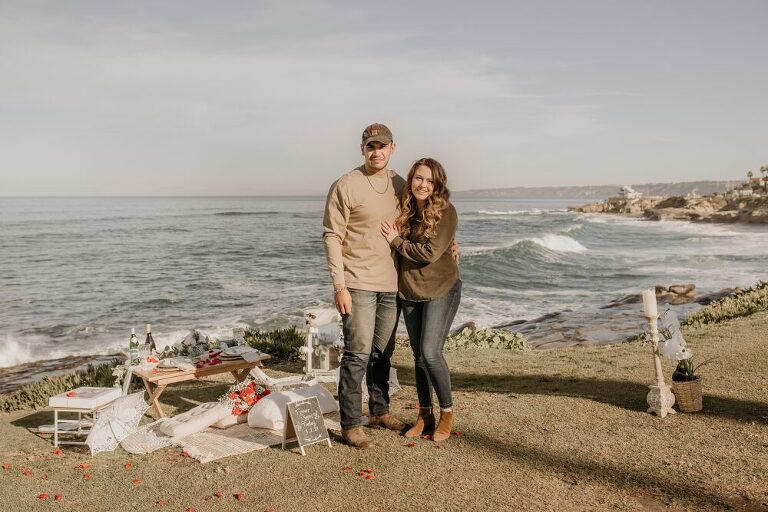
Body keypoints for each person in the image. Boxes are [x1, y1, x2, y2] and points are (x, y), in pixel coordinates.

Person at [323, 123, 409, 449]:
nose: (377, 152)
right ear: (363, 149)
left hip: (391, 284)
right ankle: (350, 423)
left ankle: (379, 410)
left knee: (382, 353)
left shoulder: (401, 184)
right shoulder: (346, 185)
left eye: (382, 146)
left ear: (392, 148)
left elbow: (424, 217)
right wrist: (339, 285)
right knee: (357, 354)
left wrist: (451, 244)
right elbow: (332, 236)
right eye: (371, 146)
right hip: (357, 283)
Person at [380, 157, 461, 442]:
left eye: (429, 180)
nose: (423, 185)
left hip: (441, 288)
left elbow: (428, 253)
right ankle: (424, 414)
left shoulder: (446, 212)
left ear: (437, 184)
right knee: (417, 357)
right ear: (411, 180)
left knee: (430, 352)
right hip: (410, 291)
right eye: (418, 178)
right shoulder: (407, 210)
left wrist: (396, 241)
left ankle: (446, 413)